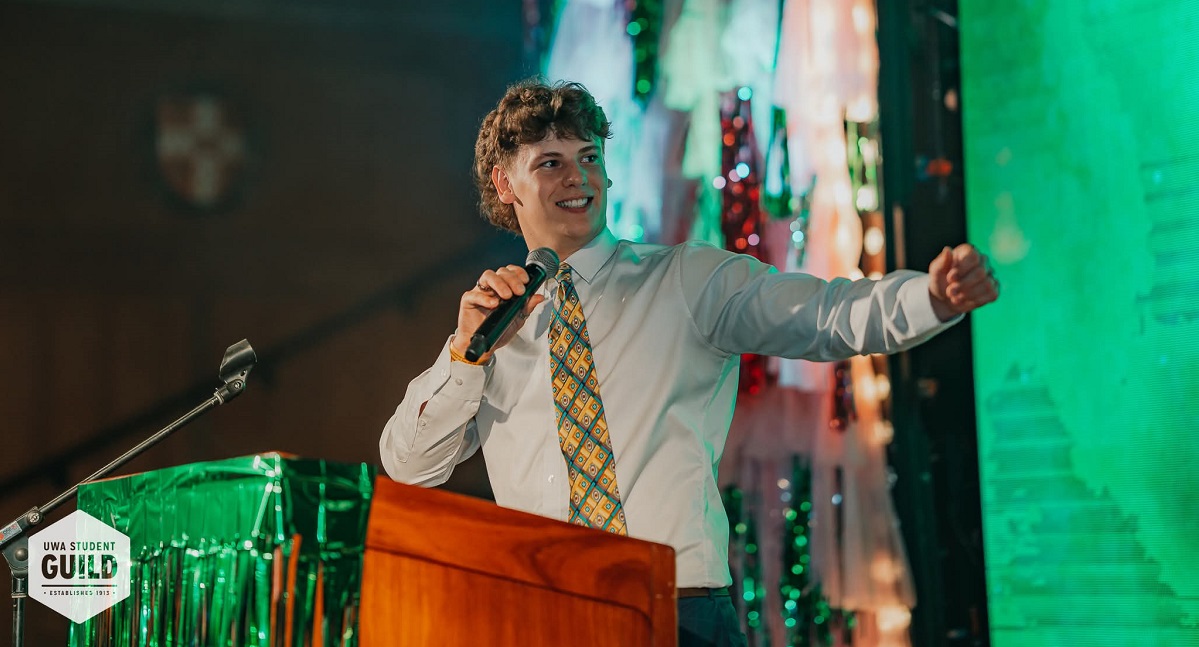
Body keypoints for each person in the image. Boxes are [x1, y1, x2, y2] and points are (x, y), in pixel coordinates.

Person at [380, 79, 999, 646]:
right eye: (551, 163)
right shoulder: (488, 327)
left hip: (680, 613)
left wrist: (932, 297)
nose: (579, 178)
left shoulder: (686, 278)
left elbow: (825, 316)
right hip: (543, 612)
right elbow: (408, 467)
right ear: (504, 184)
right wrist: (466, 355)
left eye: (589, 157)